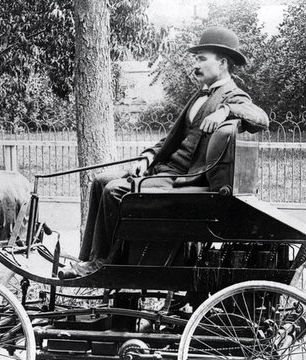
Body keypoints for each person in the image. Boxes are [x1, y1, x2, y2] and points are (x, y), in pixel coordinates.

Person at [62, 26, 269, 278]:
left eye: (202, 59)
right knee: (100, 181)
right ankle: (90, 259)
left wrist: (226, 110)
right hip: (165, 169)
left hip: (185, 179)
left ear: (223, 62)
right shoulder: (200, 95)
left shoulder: (234, 95)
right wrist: (147, 157)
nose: (195, 65)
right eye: (195, 59)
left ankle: (105, 265)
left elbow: (261, 118)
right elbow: (173, 138)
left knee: (114, 190)